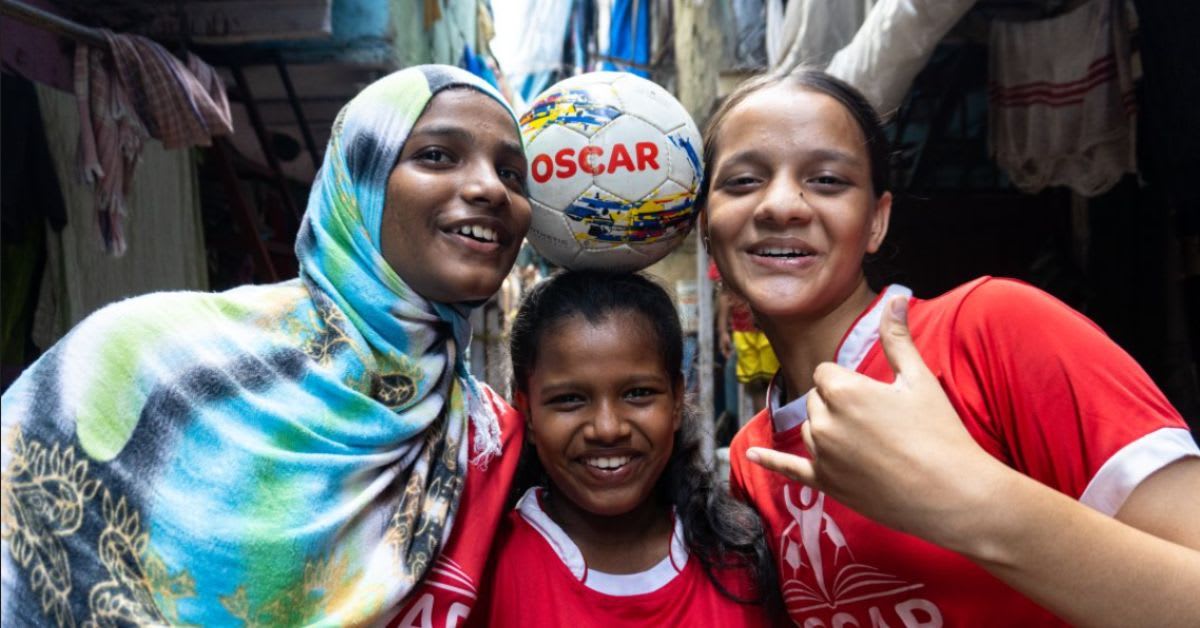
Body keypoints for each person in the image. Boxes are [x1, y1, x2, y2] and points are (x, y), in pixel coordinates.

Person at [1, 65, 532, 626]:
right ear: (360, 181)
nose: (489, 189)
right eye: (436, 156)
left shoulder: (492, 444)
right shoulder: (147, 360)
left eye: (512, 174)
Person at [699, 69, 1200, 626]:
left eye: (827, 181)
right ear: (707, 228)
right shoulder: (754, 457)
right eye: (743, 182)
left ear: (876, 222)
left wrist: (966, 500)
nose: (782, 205)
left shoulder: (995, 331)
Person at [471, 270, 779, 626]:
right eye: (569, 399)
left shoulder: (743, 562)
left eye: (637, 394)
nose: (607, 428)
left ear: (678, 399)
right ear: (526, 412)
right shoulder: (481, 571)